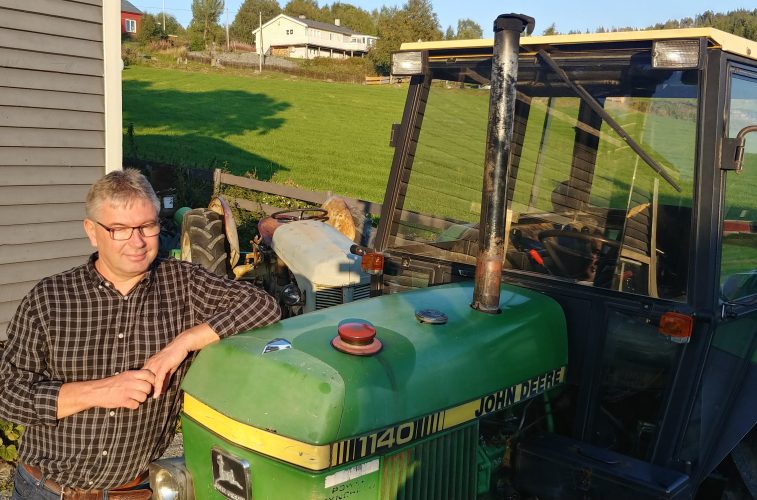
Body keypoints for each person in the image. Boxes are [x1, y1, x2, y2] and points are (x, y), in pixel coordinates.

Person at [0, 169, 281, 499]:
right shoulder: (50, 299)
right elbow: (7, 393)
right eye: (120, 230)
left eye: (148, 226)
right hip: (46, 490)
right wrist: (99, 391)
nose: (137, 242)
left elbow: (263, 304)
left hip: (135, 491)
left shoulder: (183, 283)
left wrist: (183, 342)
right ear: (92, 232)